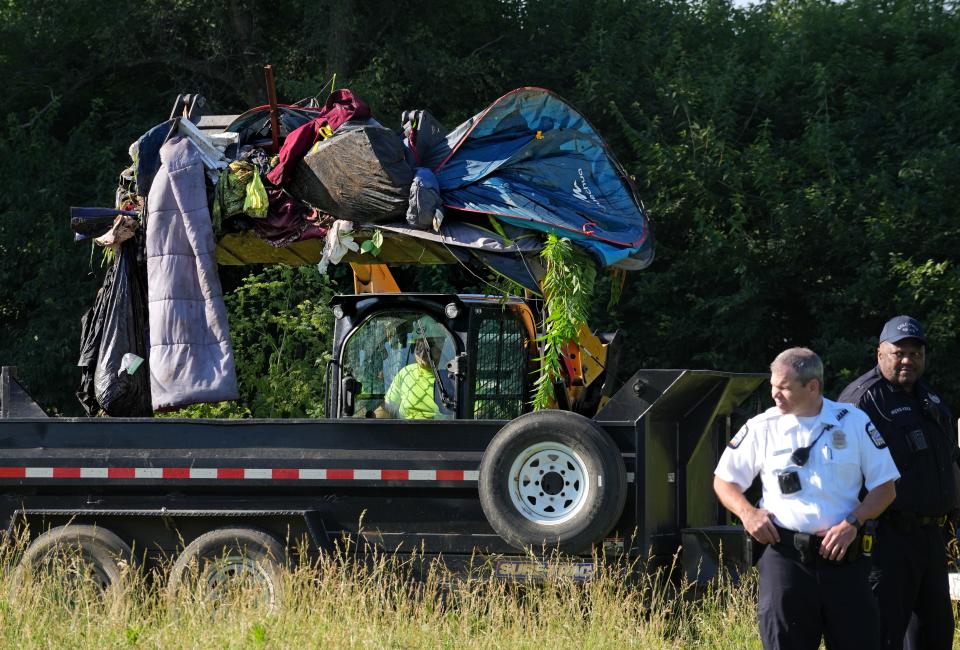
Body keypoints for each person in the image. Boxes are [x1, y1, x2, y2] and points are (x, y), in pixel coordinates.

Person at [714, 347, 900, 650]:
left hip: (844, 561)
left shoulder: (852, 422)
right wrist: (748, 514)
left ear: (812, 386)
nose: (775, 394)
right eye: (773, 386)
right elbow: (724, 481)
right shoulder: (762, 427)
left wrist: (855, 521)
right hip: (786, 560)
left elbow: (886, 487)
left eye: (784, 388)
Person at [838, 316, 959, 650]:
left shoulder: (929, 398)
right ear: (880, 353)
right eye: (899, 352)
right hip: (885, 541)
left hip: (931, 539)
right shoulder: (862, 400)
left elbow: (949, 461)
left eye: (915, 352)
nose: (908, 359)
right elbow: (839, 473)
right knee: (883, 635)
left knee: (934, 634)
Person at [375, 338, 441, 419]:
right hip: (404, 428)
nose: (423, 350)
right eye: (419, 344)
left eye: (430, 344)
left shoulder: (453, 376)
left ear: (442, 344)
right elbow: (387, 408)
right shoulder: (406, 372)